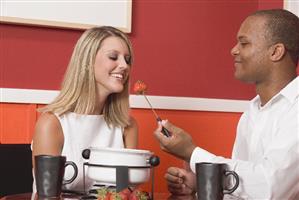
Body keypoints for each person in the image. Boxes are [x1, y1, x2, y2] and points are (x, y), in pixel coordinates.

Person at [154, 9, 299, 199]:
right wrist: (202, 185)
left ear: (275, 52)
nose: (234, 50)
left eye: (244, 43)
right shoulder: (252, 111)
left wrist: (193, 154)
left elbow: (270, 188)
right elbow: (242, 193)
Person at [31, 26, 138, 192]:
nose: (124, 65)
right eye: (113, 57)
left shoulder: (127, 126)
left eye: (127, 59)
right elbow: (46, 195)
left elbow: (125, 192)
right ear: (87, 62)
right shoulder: (52, 124)